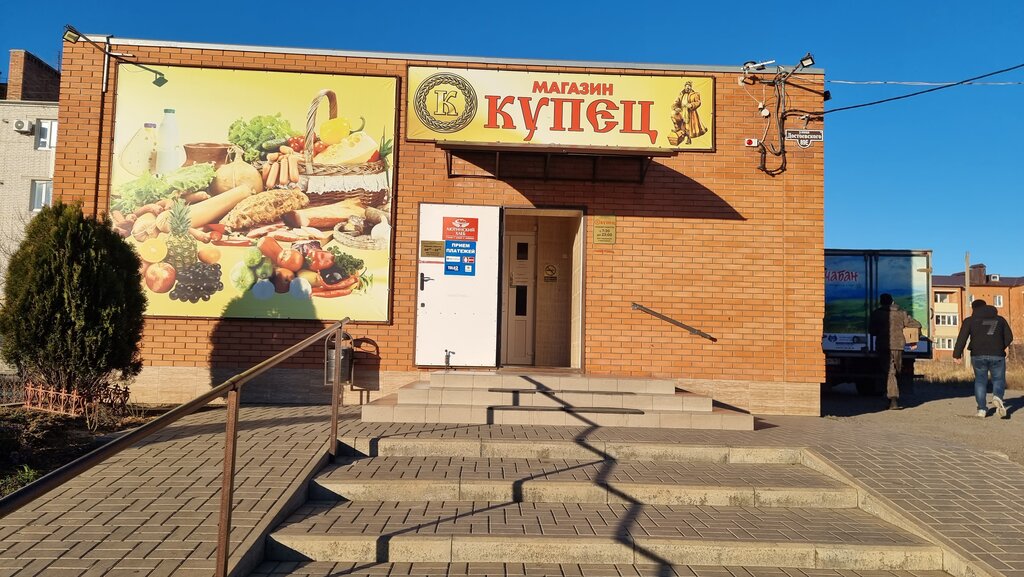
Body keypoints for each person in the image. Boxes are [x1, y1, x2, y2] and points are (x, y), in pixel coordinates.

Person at [953, 299, 1014, 418]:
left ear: (974, 309)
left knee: (980, 381)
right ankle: (997, 397)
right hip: (997, 354)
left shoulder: (970, 320)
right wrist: (1001, 346)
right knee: (998, 379)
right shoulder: (1000, 320)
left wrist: (957, 354)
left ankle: (981, 410)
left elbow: (962, 338)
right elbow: (1009, 337)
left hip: (978, 355)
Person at [869, 293, 922, 410]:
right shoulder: (902, 313)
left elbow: (872, 331)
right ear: (892, 302)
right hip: (899, 345)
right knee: (896, 371)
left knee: (890, 371)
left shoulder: (877, 314)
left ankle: (892, 398)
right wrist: (914, 339)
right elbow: (917, 324)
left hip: (883, 346)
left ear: (881, 302)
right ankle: (893, 398)